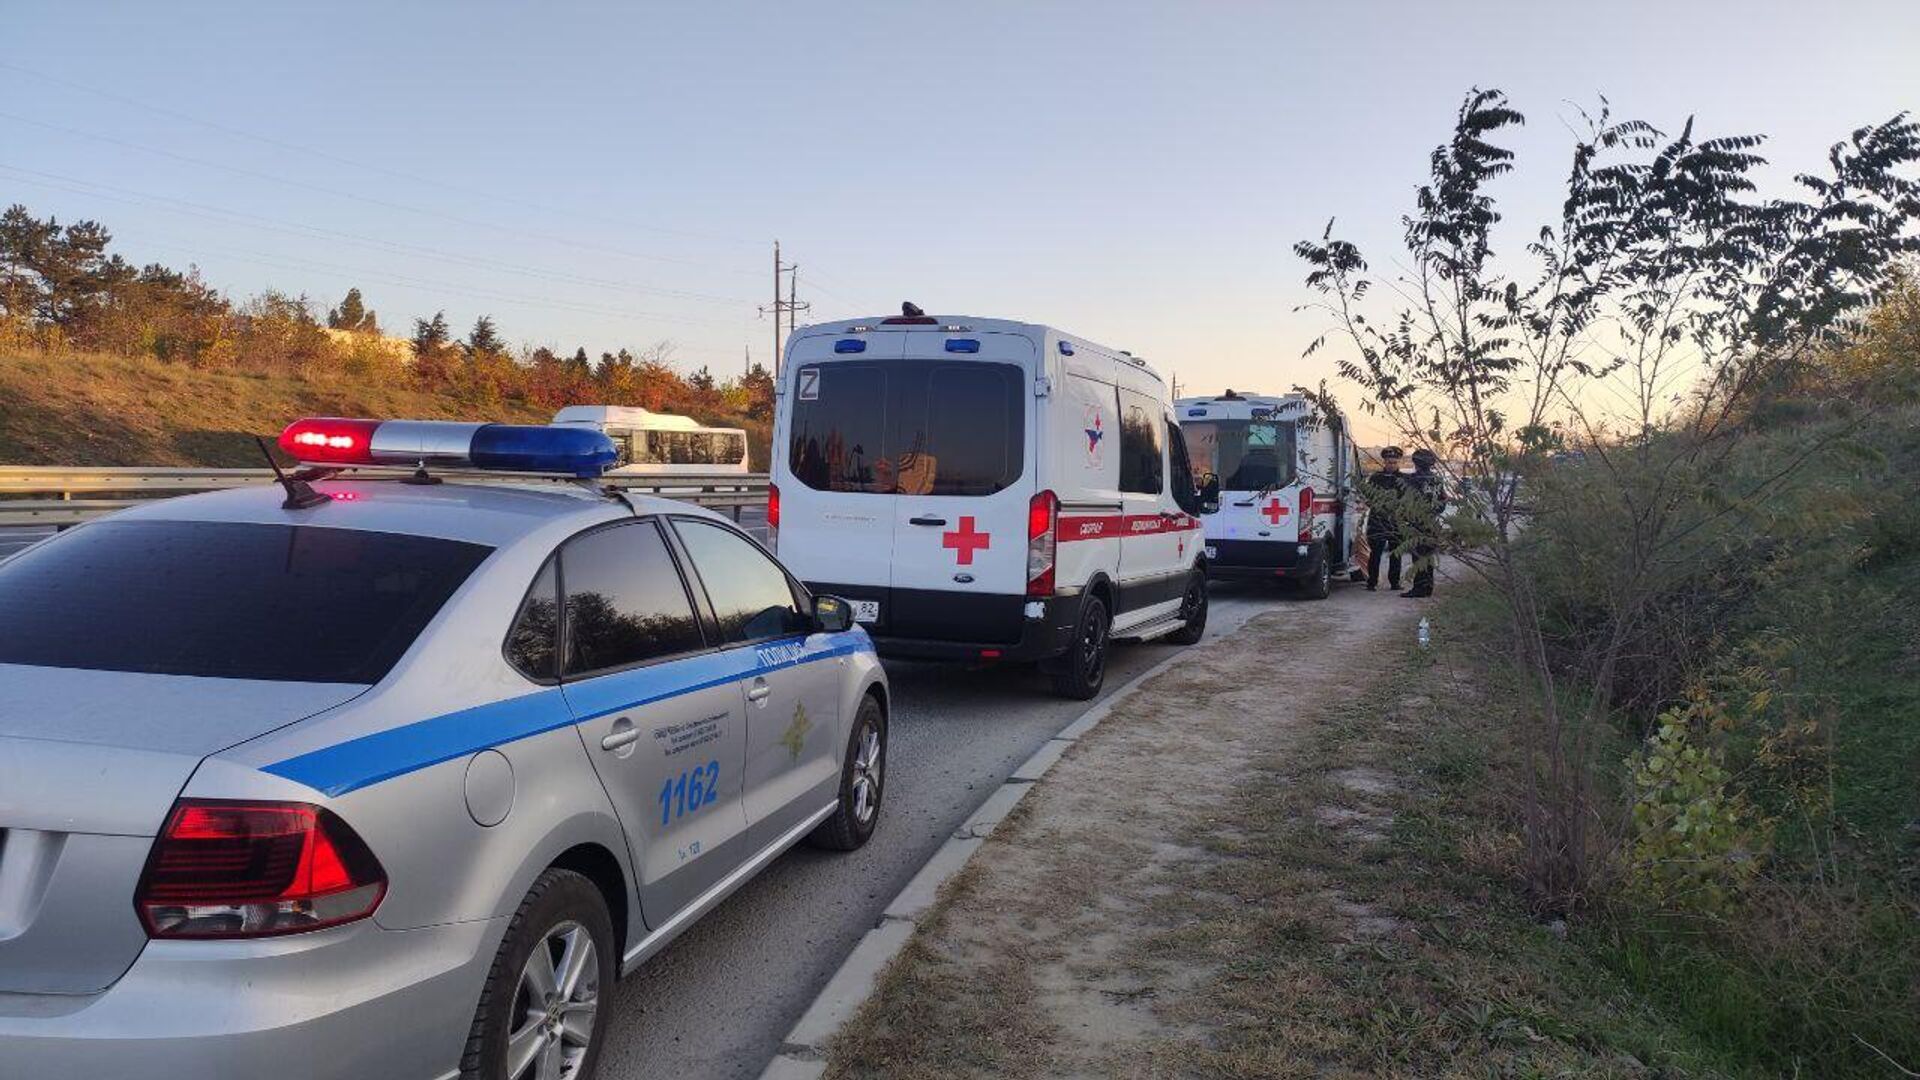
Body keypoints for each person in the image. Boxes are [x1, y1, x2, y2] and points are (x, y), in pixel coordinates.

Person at [1401, 447, 1448, 598]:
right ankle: (1428, 587)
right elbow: (1442, 502)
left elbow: (1406, 502)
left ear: (1416, 463)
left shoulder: (1412, 480)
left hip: (1417, 524)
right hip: (1432, 523)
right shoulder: (1437, 480)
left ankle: (1419, 589)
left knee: (1419, 557)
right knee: (1428, 557)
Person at [1362, 446, 1405, 591]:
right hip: (1377, 521)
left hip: (1396, 521)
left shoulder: (1404, 479)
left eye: (1394, 462)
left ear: (1398, 462)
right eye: (1388, 462)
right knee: (1375, 554)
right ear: (1384, 462)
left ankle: (1395, 582)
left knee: (1396, 554)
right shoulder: (1376, 478)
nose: (1391, 465)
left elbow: (1407, 501)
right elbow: (1367, 497)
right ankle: (1372, 582)